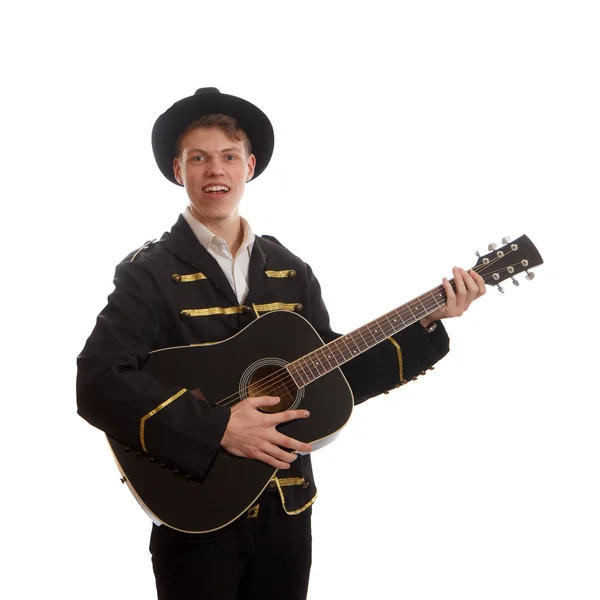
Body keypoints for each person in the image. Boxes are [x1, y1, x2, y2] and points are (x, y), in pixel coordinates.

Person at [76, 87, 486, 600]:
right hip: (196, 511)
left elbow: (333, 376)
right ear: (179, 171)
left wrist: (428, 322)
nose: (215, 171)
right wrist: (218, 427)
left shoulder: (290, 269)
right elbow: (99, 382)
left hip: (289, 514)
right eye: (198, 158)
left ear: (249, 166)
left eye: (228, 157)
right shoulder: (147, 272)